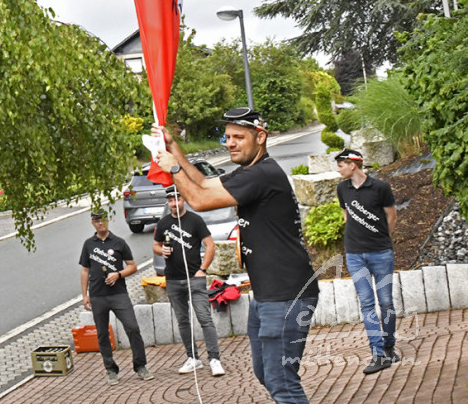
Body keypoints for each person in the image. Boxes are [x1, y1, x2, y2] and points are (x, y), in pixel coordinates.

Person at [156, 107, 320, 404]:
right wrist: (173, 147)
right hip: (267, 295)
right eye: (227, 136)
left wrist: (173, 170)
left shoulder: (263, 174)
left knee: (282, 382)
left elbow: (199, 200)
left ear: (260, 137)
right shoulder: (250, 172)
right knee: (265, 374)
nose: (229, 143)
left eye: (238, 137)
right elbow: (204, 182)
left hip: (286, 294)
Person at [335, 148, 399, 374]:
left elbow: (391, 215)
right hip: (354, 256)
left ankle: (389, 346)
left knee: (386, 302)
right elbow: (347, 216)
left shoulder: (381, 188)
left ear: (353, 165)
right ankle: (378, 353)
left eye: (341, 164)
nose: (338, 169)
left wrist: (382, 239)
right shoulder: (341, 188)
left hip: (381, 254)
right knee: (367, 304)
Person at [152, 186, 225, 376]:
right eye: (170, 200)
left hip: (194, 278)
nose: (174, 204)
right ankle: (193, 358)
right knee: (183, 321)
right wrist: (162, 251)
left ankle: (214, 359)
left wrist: (203, 270)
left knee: (204, 318)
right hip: (173, 280)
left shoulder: (195, 220)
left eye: (177, 199)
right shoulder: (164, 223)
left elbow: (210, 245)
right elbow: (156, 245)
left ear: (183, 200)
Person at [79, 211, 153, 385]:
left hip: (118, 294)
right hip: (97, 296)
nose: (100, 224)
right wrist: (84, 295)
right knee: (103, 334)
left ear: (108, 220)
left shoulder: (119, 242)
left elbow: (132, 266)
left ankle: (140, 366)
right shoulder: (88, 244)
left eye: (103, 220)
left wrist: (118, 275)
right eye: (96, 221)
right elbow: (84, 270)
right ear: (92, 223)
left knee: (132, 328)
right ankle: (111, 369)